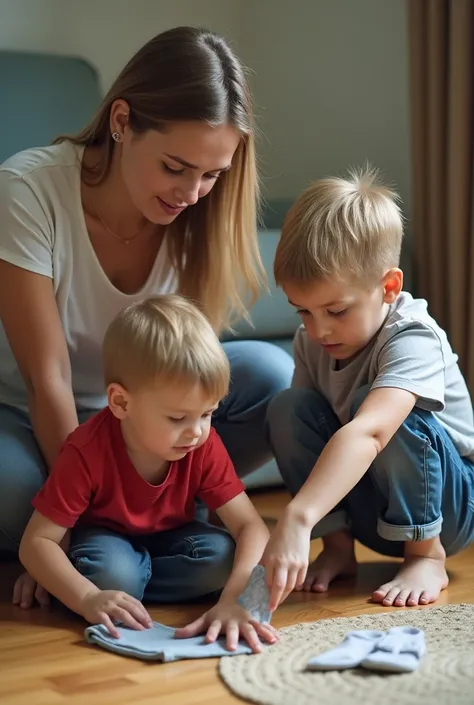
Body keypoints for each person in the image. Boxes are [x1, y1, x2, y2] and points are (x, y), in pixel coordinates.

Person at [0, 27, 293, 605]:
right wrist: (65, 534)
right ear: (121, 122)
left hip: (146, 418)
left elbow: (191, 371)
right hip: (28, 416)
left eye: (212, 175)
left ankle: (130, 543)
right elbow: (47, 379)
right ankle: (112, 547)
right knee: (14, 494)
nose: (192, 193)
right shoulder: (27, 191)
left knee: (271, 377)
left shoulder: (199, 215)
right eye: (176, 167)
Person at [261, 167, 474, 611]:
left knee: (374, 409)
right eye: (302, 311)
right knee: (289, 406)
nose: (318, 329)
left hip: (450, 504)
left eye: (336, 310)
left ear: (388, 287)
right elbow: (307, 431)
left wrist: (297, 517)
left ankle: (424, 554)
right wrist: (319, 529)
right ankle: (338, 549)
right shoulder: (310, 341)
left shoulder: (414, 335)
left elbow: (374, 431)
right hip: (372, 500)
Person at [19, 295, 278, 652]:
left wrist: (236, 598)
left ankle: (125, 591)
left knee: (221, 557)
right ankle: (113, 589)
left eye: (207, 414)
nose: (196, 432)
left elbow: (251, 526)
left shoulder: (202, 442)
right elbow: (37, 542)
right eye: (177, 418)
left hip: (173, 539)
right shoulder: (85, 450)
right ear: (121, 403)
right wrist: (85, 597)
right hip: (105, 541)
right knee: (113, 574)